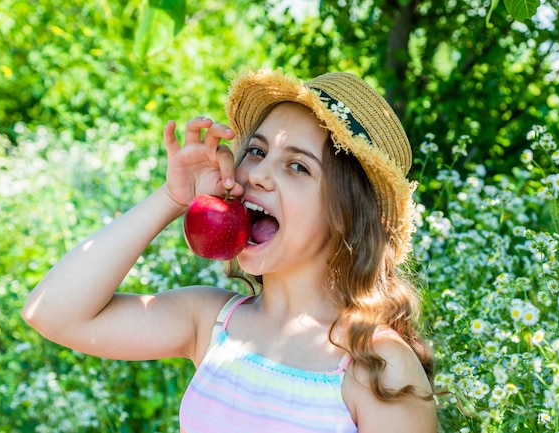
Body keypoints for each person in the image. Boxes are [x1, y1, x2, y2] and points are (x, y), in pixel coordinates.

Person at [23, 69, 437, 432]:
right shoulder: (211, 322)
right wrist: (172, 197)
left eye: (298, 166)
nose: (256, 173)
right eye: (256, 151)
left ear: (345, 214)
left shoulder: (377, 367)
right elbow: (52, 312)